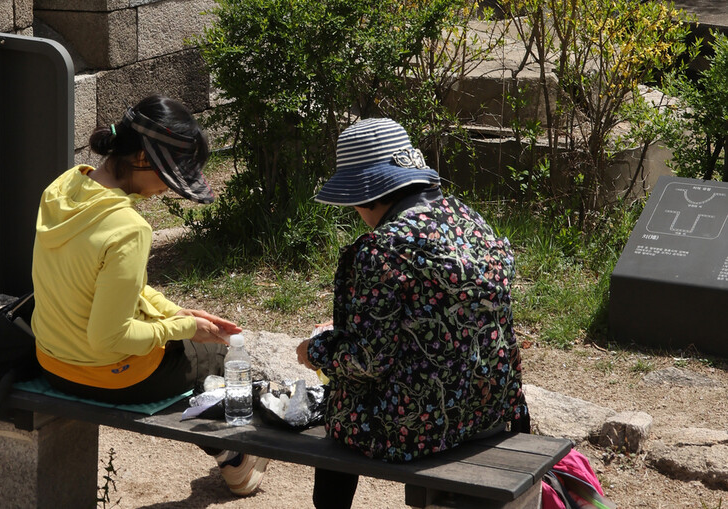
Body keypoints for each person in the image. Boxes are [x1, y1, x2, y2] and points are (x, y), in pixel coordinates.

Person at [31, 93, 268, 496]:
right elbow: (108, 338)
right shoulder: (128, 228)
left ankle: (234, 458)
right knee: (212, 356)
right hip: (104, 375)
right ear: (141, 159)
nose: (166, 190)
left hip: (50, 359)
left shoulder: (64, 187)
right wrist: (184, 328)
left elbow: (108, 286)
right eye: (168, 177)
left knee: (188, 340)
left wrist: (175, 312)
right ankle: (235, 460)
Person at [297, 118, 528, 509]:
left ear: (367, 195)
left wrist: (316, 351)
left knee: (342, 396)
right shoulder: (472, 222)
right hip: (491, 408)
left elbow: (368, 360)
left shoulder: (383, 248)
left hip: (419, 428)